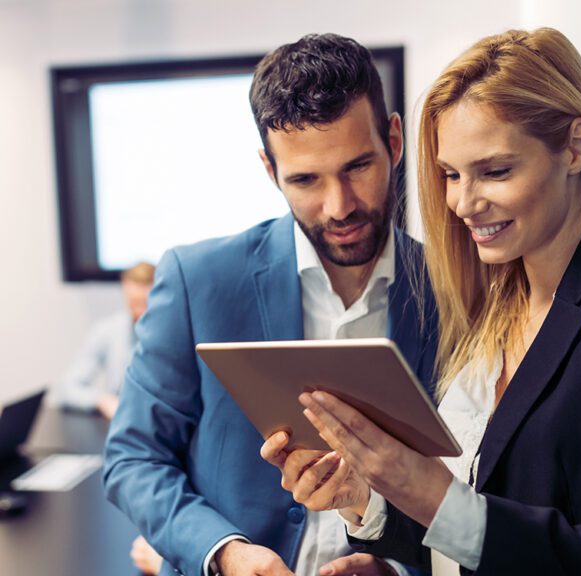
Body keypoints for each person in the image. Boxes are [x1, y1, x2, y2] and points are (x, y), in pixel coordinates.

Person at [263, 28, 581, 575]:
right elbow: (469, 532)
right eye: (450, 175)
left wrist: (433, 494)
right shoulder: (497, 304)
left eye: (495, 171)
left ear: (576, 147)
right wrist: (365, 504)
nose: (463, 204)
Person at [103, 33, 437, 576]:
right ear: (269, 170)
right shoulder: (198, 280)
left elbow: (470, 485)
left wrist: (397, 566)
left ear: (394, 140)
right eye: (305, 179)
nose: (339, 206)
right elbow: (133, 459)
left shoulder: (455, 290)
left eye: (357, 167)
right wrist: (225, 553)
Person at [54, 261, 155, 419]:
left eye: (145, 303)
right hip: (119, 420)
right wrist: (102, 400)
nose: (139, 312)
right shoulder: (107, 330)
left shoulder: (174, 334)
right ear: (124, 288)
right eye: (134, 302)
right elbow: (66, 388)